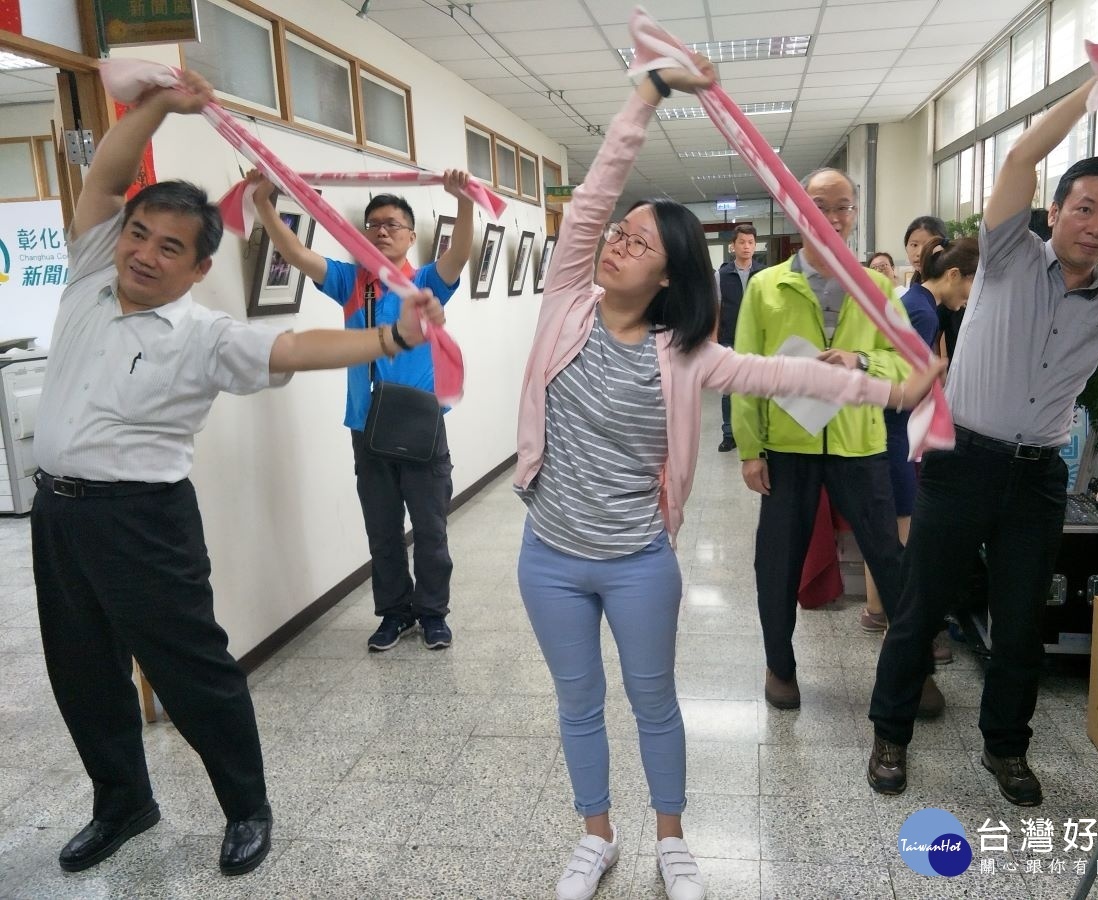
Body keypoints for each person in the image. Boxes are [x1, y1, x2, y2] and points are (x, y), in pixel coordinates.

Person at [513, 60, 943, 900]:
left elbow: (790, 376)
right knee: (577, 705)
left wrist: (886, 389)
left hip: (638, 558)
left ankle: (672, 839)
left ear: (669, 274)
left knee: (654, 703)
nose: (616, 241)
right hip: (549, 557)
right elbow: (597, 187)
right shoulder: (566, 301)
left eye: (638, 240)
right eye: (618, 232)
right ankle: (595, 835)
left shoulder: (687, 355)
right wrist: (645, 94)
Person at [30, 71, 445, 877]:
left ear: (196, 269)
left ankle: (246, 807)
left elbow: (293, 348)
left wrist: (389, 341)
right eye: (138, 234)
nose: (145, 253)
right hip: (59, 517)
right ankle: (123, 802)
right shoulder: (87, 278)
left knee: (193, 674)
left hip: (143, 520)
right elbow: (108, 175)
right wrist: (157, 106)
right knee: (81, 672)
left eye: (170, 247)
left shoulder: (205, 334)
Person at [867, 50, 1098, 807]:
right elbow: (1019, 154)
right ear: (1056, 212)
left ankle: (1006, 750)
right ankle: (890, 733)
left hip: (1038, 477)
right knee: (922, 609)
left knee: (1020, 621)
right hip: (962, 461)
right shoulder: (1009, 255)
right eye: (1085, 208)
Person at [732, 168, 946, 718]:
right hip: (789, 445)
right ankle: (780, 666)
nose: (832, 217)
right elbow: (744, 371)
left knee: (889, 559)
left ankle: (913, 667)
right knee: (776, 563)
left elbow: (910, 359)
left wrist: (861, 359)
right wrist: (752, 448)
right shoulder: (766, 286)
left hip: (859, 443)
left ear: (855, 214)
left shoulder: (876, 290)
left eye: (844, 206)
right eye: (819, 205)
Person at [248, 164, 476, 653]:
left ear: (412, 235)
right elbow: (294, 252)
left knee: (432, 530)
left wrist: (463, 201)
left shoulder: (429, 280)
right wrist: (264, 204)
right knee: (382, 529)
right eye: (373, 225)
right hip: (367, 425)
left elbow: (459, 252)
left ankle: (434, 614)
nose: (382, 231)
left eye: (393, 224)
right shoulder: (353, 281)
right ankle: (395, 614)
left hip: (422, 427)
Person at [859, 237, 979, 636]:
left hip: (890, 425)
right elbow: (907, 377)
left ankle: (877, 609)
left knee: (887, 523)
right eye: (970, 287)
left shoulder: (915, 302)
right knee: (902, 526)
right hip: (896, 428)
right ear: (953, 274)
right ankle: (898, 617)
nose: (969, 298)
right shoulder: (923, 313)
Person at [715, 223, 766, 452]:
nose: (746, 247)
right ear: (733, 246)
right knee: (729, 391)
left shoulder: (764, 274)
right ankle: (729, 434)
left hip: (758, 340)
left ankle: (758, 432)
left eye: (750, 242)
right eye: (742, 242)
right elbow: (716, 309)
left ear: (755, 246)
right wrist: (713, 340)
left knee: (757, 387)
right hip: (729, 338)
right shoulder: (721, 274)